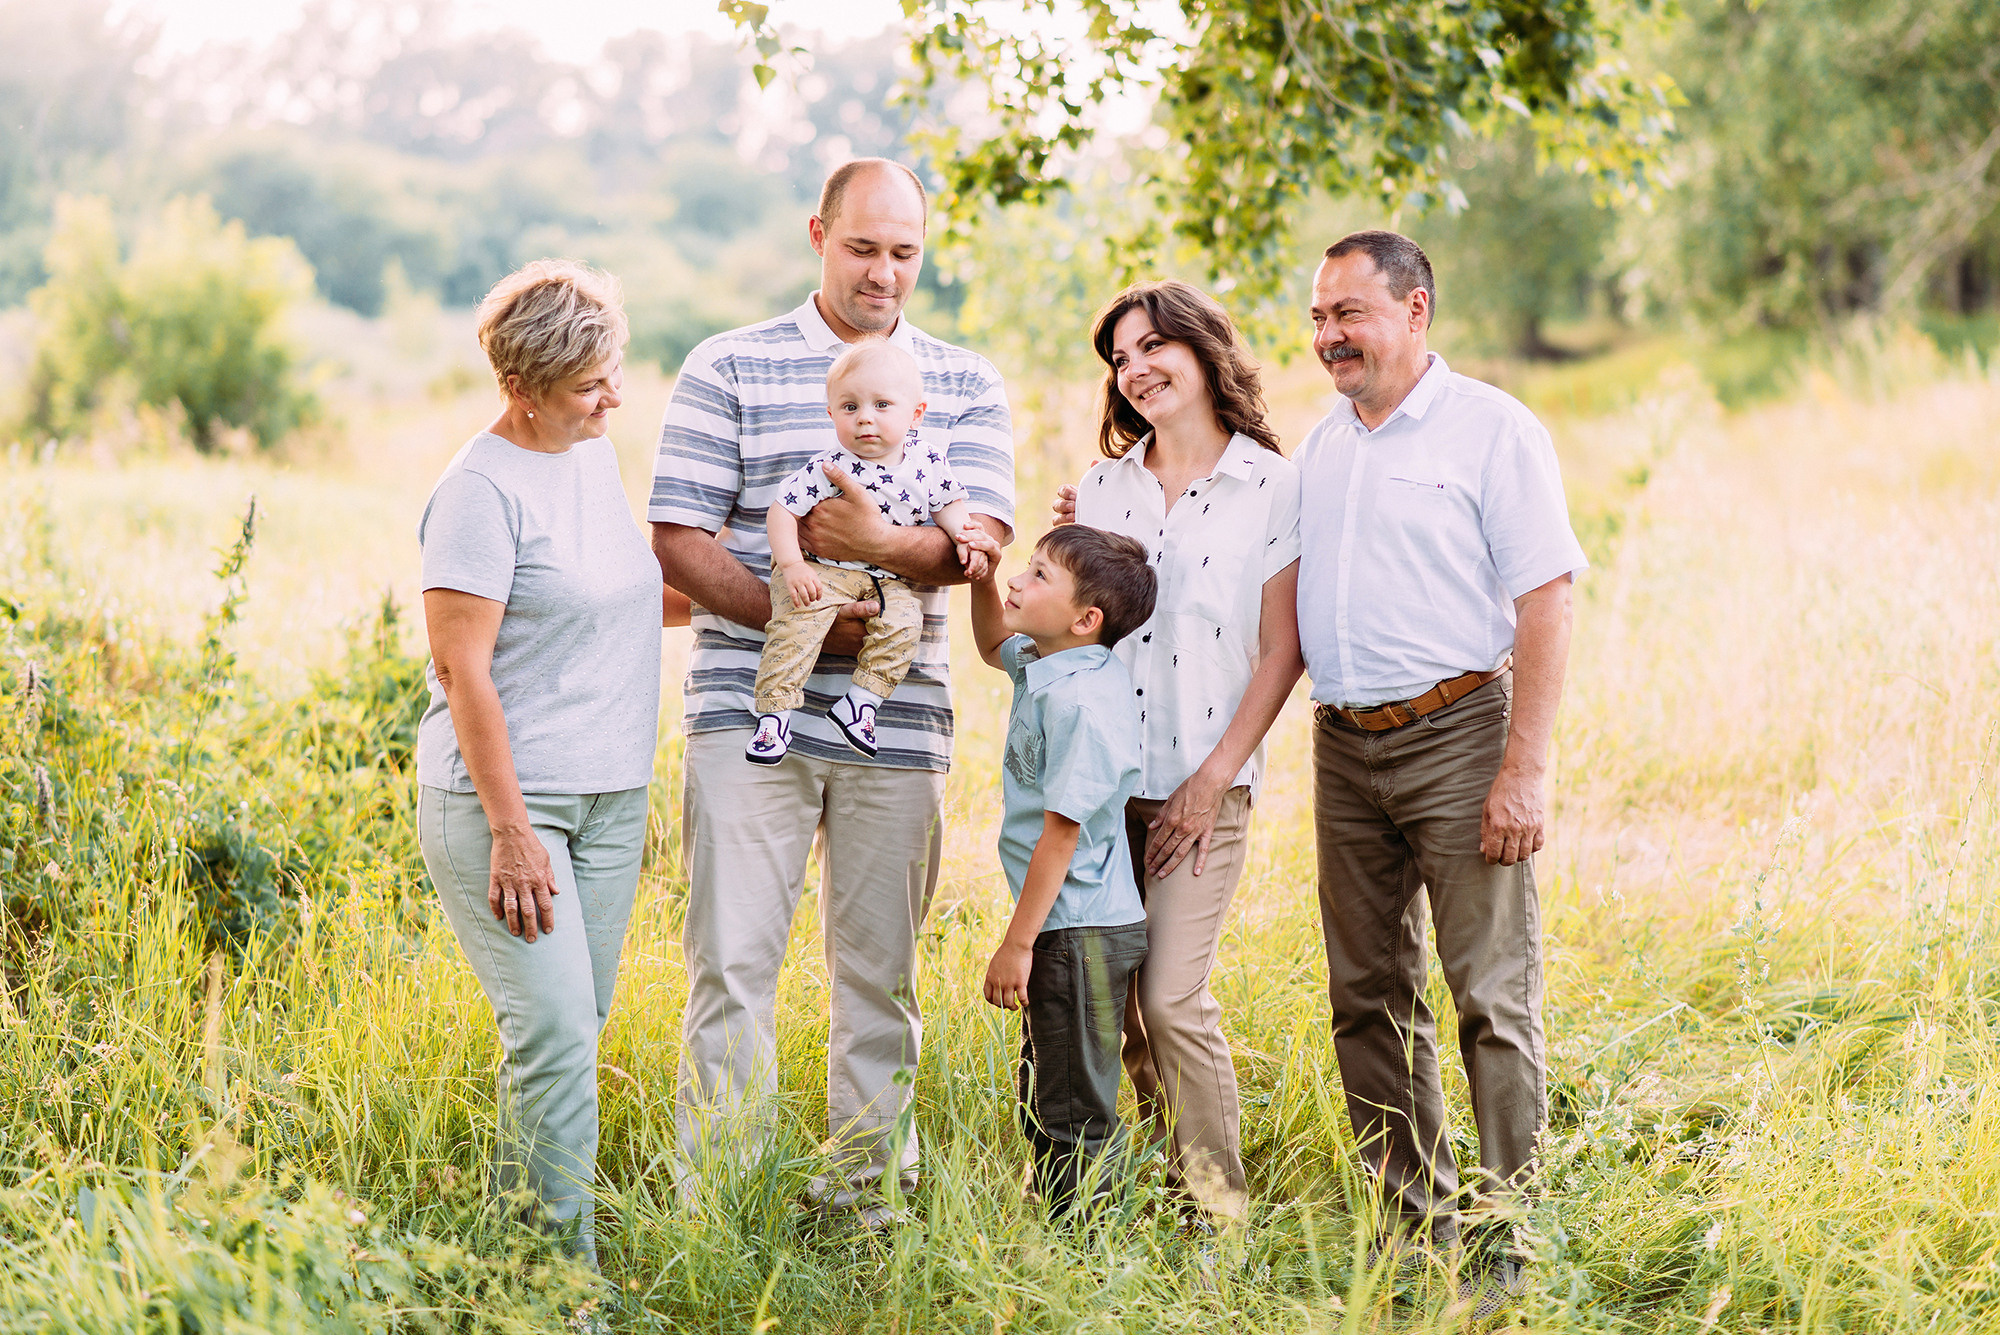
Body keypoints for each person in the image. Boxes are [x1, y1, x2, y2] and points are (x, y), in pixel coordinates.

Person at [649, 158, 1015, 1218]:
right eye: (863, 247)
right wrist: (797, 617)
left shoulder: (964, 381)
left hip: (894, 722)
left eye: (904, 252)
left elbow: (978, 541)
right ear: (818, 234)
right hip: (744, 705)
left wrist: (875, 542)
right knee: (730, 963)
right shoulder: (727, 365)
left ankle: (867, 1198)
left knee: (878, 976)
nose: (884, 272)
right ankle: (719, 1200)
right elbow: (676, 533)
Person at [1296, 230, 1586, 1308]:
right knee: (1365, 998)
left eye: (1349, 314)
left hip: (1460, 736)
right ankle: (1411, 1234)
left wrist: (1524, 767)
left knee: (1489, 1000)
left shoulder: (1491, 430)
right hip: (1342, 748)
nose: (1328, 335)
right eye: (1319, 316)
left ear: (1414, 312)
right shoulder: (1323, 445)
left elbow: (1546, 594)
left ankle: (1510, 1245)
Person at [415, 259, 672, 1270]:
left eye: (613, 372)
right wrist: (513, 833)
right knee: (557, 1037)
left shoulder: (589, 457)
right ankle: (559, 1288)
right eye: (590, 385)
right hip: (507, 809)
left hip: (610, 799)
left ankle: (515, 1260)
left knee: (569, 1039)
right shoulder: (477, 491)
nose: (614, 396)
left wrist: (788, 604)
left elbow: (623, 596)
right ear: (523, 389)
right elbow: (458, 668)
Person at [1051, 280, 1303, 1225]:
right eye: (1120, 357)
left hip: (1209, 782)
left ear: (1203, 352)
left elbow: (1281, 650)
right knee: (1110, 1002)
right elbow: (1074, 633)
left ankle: (1217, 1212)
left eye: (1154, 346)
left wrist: (1208, 782)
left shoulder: (1272, 485)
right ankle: (1151, 1185)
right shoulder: (1106, 485)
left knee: (1171, 995)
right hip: (1106, 786)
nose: (1137, 368)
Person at [965, 524, 1158, 1218]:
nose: (1020, 580)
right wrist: (983, 577)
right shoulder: (1055, 661)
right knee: (1052, 1085)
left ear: (1087, 619)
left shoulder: (1081, 702)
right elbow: (993, 644)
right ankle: (1062, 1225)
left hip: (1077, 929)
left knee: (1074, 1107)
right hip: (1067, 923)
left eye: (1038, 575)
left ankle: (1085, 1251)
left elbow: (1062, 832)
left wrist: (1018, 943)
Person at [750, 340, 990, 765]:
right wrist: (790, 565)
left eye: (882, 405)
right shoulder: (830, 467)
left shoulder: (926, 460)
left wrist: (964, 537)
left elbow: (948, 505)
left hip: (886, 578)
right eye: (849, 407)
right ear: (831, 414)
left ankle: (861, 703)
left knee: (905, 622)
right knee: (796, 625)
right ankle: (774, 716)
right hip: (822, 571)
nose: (865, 418)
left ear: (916, 413)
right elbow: (782, 510)